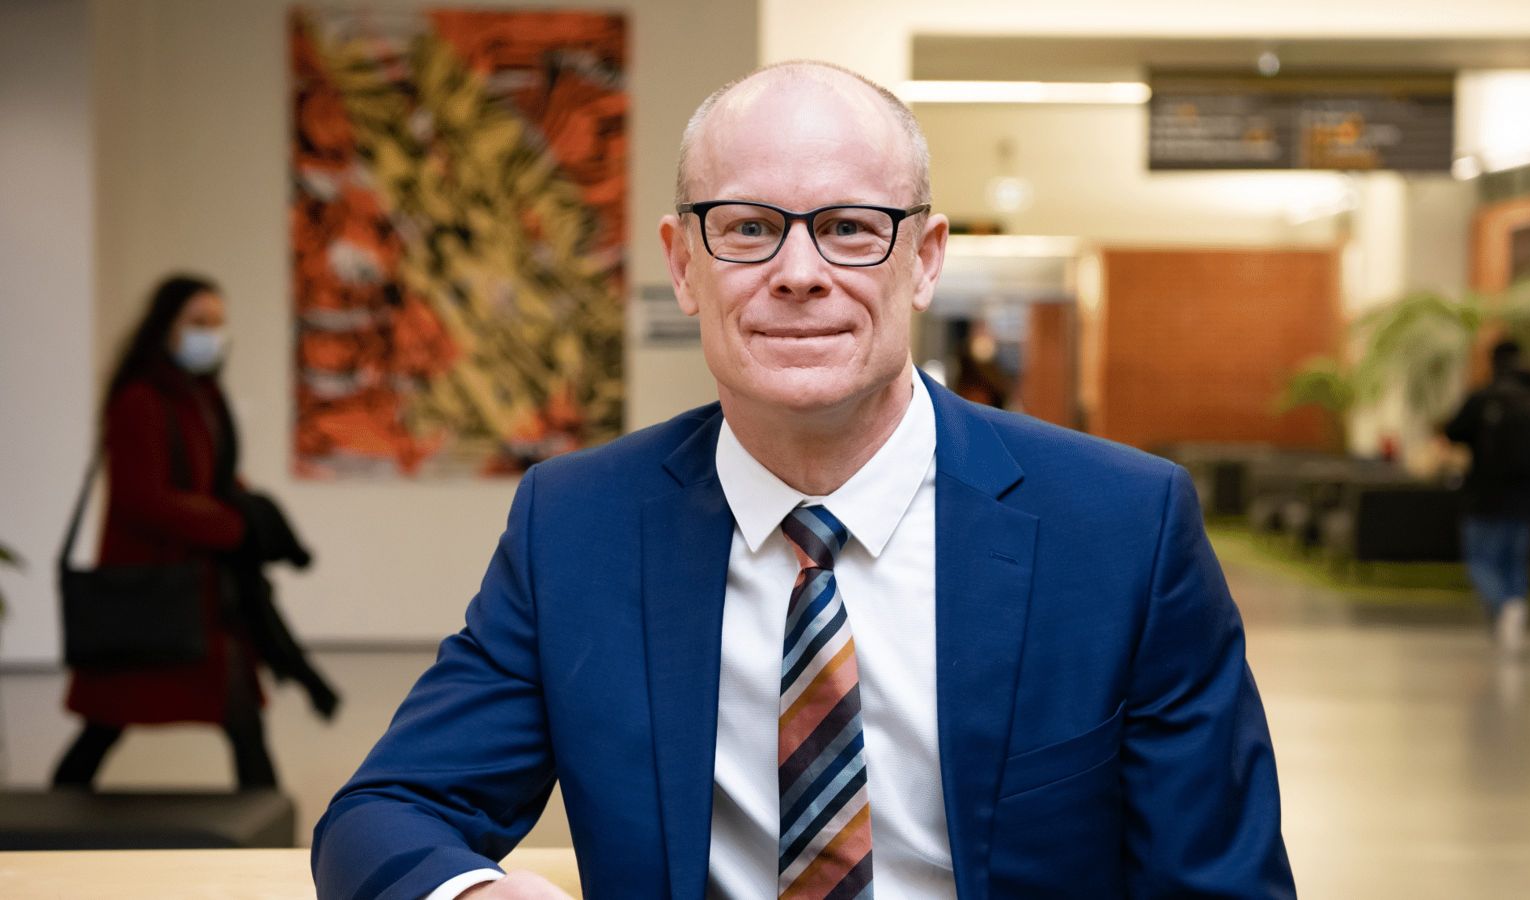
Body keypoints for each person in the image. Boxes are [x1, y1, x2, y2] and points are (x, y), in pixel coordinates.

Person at [313, 62, 1294, 899]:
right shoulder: (577, 526)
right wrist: (472, 893)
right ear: (683, 265)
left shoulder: (1121, 530)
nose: (797, 271)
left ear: (925, 260)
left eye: (849, 227)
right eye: (747, 228)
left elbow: (1219, 882)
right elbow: (387, 810)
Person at [53, 274, 332, 791]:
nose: (211, 334)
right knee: (105, 727)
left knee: (243, 723)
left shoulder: (203, 396)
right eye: (198, 322)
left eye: (218, 323)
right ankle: (42, 830)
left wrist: (249, 515)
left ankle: (270, 836)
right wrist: (234, 527)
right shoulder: (140, 399)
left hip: (202, 596)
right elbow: (143, 498)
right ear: (165, 326)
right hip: (154, 596)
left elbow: (214, 478)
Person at [1444, 339, 1530, 653]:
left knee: (1481, 562)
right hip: (1525, 498)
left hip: (1484, 497)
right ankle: (1515, 608)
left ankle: (1503, 607)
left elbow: (1453, 432)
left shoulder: (1482, 399)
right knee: (1514, 563)